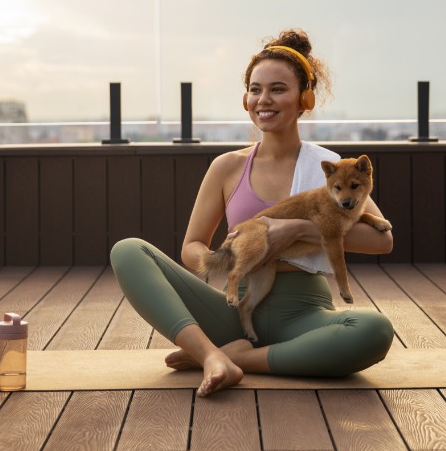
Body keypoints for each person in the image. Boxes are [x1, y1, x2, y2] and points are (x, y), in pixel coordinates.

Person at [110, 29, 395, 397]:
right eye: (255, 89)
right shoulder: (227, 167)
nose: (264, 99)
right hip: (234, 306)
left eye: (278, 89)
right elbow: (192, 246)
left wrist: (294, 230)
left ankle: (232, 358)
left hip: (303, 314)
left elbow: (382, 241)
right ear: (246, 97)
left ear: (304, 98)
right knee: (128, 251)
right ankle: (214, 354)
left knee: (374, 331)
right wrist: (228, 259)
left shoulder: (331, 168)